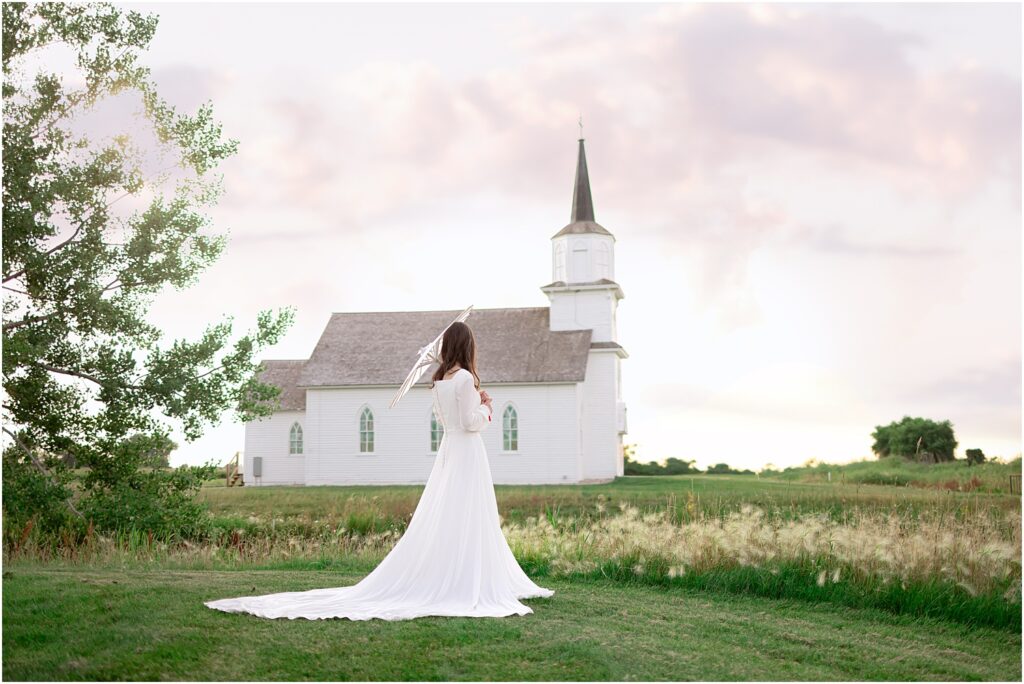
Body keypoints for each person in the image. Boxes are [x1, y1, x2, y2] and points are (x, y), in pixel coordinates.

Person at [204, 321, 555, 620]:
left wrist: (476, 402)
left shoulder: (439, 381)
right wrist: (487, 409)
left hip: (449, 452)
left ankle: (461, 572)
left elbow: (447, 420)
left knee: (452, 513)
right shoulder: (463, 379)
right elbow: (468, 423)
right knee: (469, 511)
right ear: (468, 347)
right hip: (465, 451)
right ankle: (467, 580)